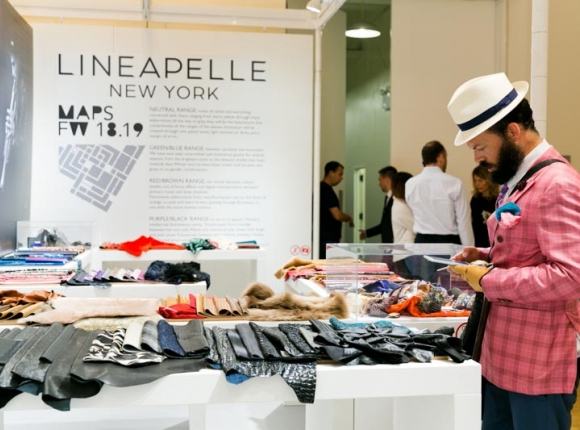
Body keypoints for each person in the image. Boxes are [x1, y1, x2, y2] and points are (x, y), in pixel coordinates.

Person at [447, 72, 580, 430]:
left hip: (538, 366)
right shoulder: (520, 180)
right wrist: (486, 255)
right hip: (501, 357)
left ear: (513, 132)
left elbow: (570, 277)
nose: (477, 158)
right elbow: (530, 250)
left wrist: (489, 280)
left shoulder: (557, 184)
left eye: (480, 146)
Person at [405, 140, 474, 246]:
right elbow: (463, 221)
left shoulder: (410, 184)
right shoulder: (454, 183)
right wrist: (469, 248)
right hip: (448, 242)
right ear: (441, 157)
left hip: (421, 242)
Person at [319, 161, 354, 258]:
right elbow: (337, 215)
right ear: (331, 173)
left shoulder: (322, 188)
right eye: (340, 174)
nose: (341, 178)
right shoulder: (326, 191)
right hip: (327, 239)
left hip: (324, 239)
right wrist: (348, 218)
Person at [359, 165, 397, 243]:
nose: (379, 183)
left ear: (387, 180)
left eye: (380, 180)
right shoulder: (387, 198)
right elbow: (385, 225)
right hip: (387, 245)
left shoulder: (396, 199)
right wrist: (367, 233)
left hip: (394, 244)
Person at [470, 165, 499, 247]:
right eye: (475, 181)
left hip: (492, 238)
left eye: (480, 181)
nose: (477, 184)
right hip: (477, 238)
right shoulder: (475, 199)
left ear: (489, 180)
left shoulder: (497, 200)